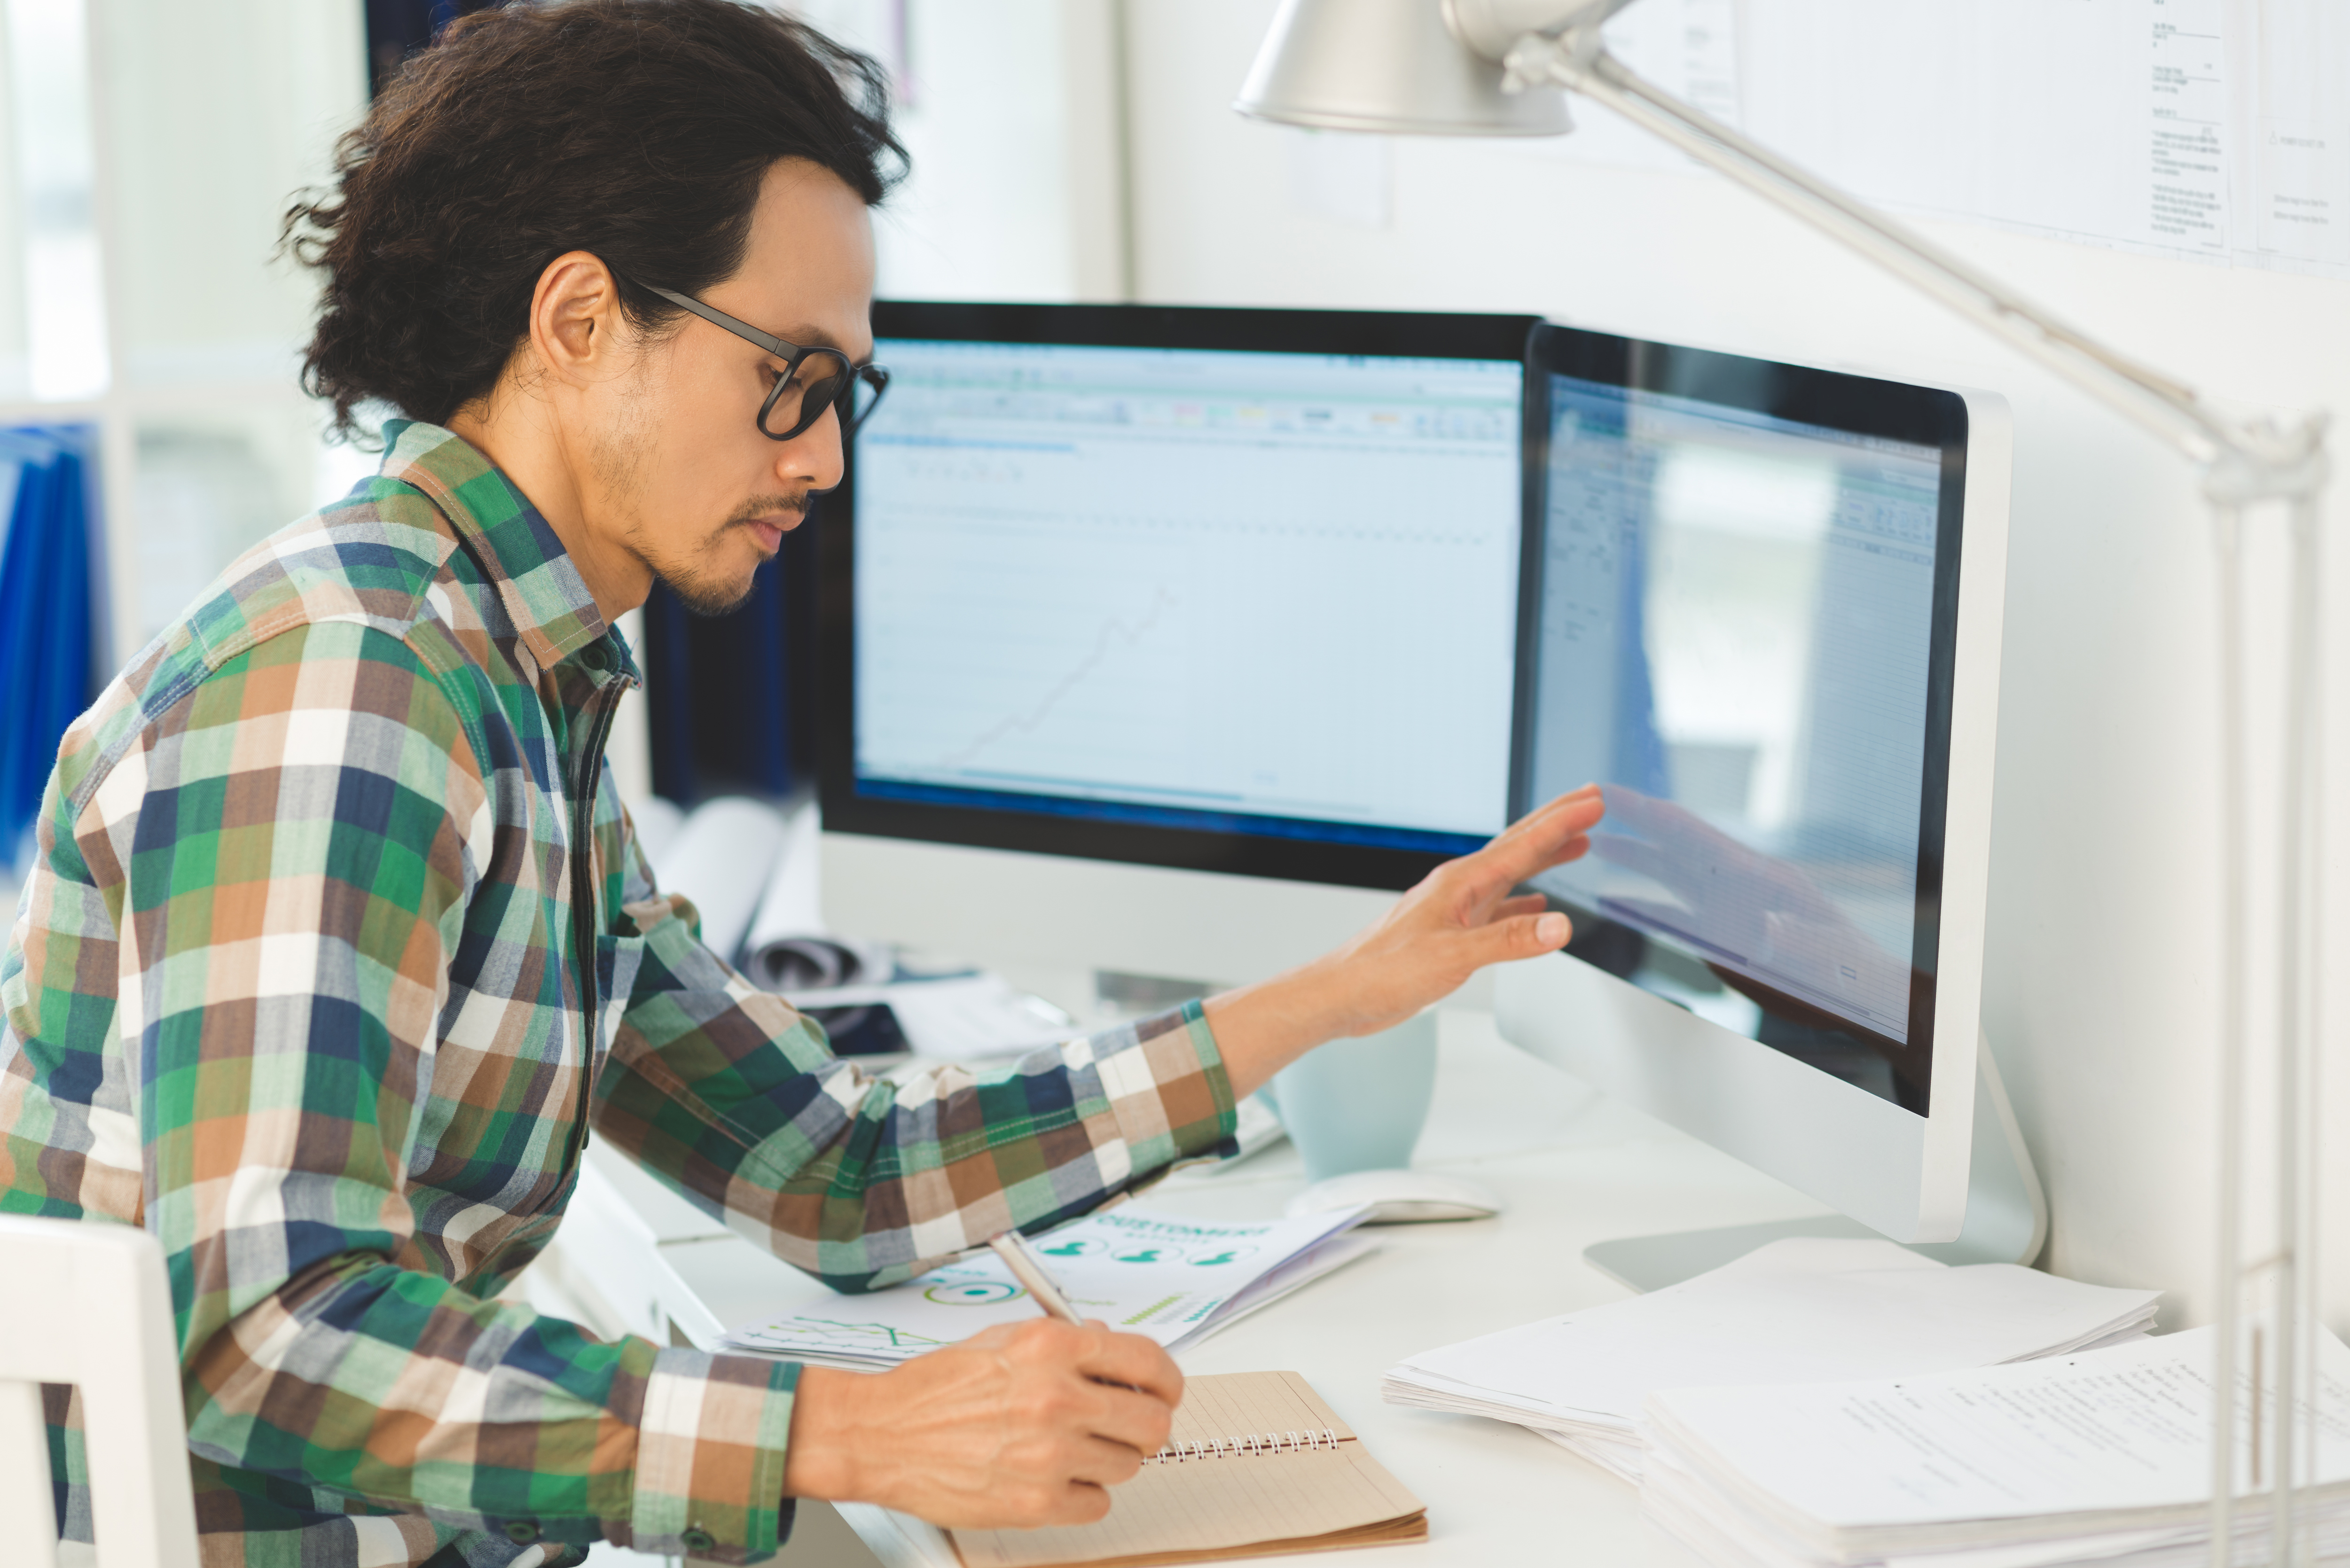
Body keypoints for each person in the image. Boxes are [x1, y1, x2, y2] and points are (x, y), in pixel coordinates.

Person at [0, 4, 1602, 1564]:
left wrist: (1340, 990)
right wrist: (851, 1433)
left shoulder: (513, 675)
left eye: (846, 394)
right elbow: (267, 1333)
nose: (826, 458)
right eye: (793, 373)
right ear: (577, 322)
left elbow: (828, 1170)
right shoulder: (355, 683)